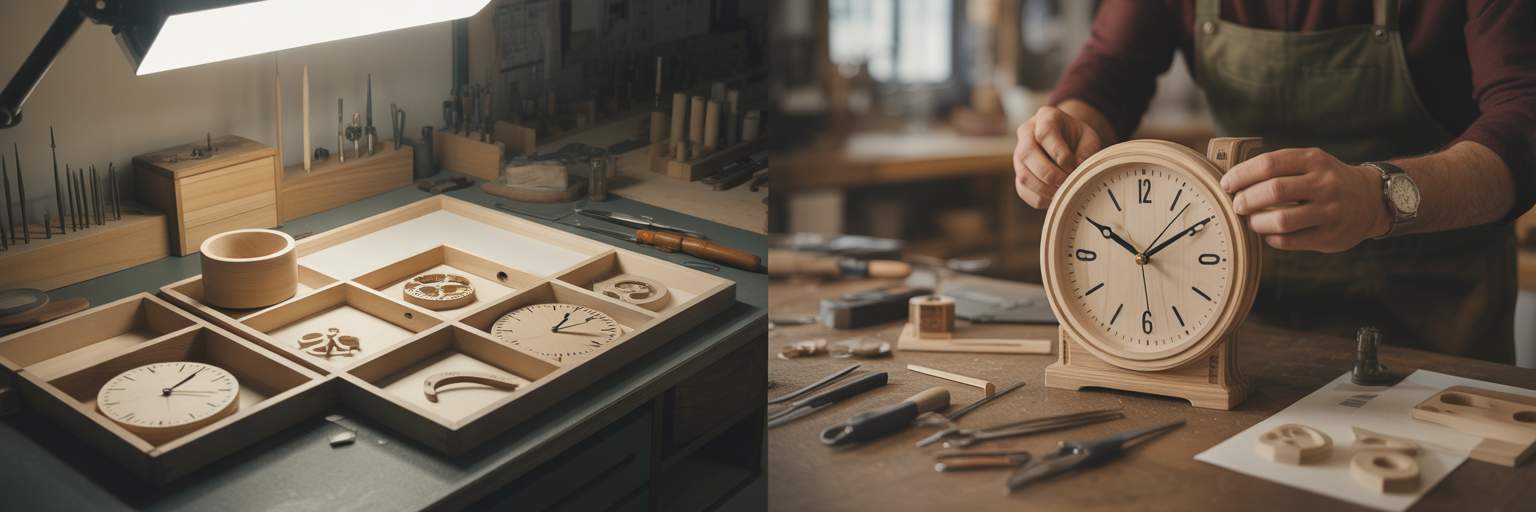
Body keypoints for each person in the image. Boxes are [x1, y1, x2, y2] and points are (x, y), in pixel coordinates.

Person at [1013, 0, 1535, 363]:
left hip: (1434, 311)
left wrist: (1378, 197)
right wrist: (1065, 131)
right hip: (1241, 307)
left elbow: (1523, 120)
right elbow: (1110, 68)